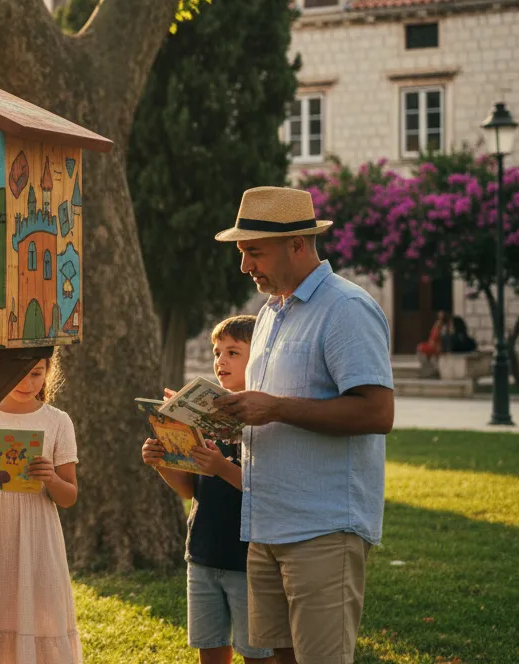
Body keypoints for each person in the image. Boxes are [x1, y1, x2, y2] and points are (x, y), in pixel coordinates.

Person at [213, 186, 395, 664]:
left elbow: (377, 413)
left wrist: (274, 409)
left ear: (296, 244)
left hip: (323, 528)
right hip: (266, 524)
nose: (244, 265)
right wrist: (227, 419)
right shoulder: (270, 313)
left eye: (254, 252)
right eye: (242, 252)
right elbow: (272, 409)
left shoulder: (346, 308)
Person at [142, 316, 274, 664]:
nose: (221, 361)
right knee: (210, 649)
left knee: (257, 653)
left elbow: (266, 488)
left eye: (233, 352)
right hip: (202, 553)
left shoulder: (265, 420)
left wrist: (221, 467)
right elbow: (190, 490)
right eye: (217, 353)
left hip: (248, 560)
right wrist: (162, 462)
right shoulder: (203, 416)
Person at [0, 358, 81, 663]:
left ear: (48, 373)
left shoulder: (57, 421)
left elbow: (69, 496)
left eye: (36, 374)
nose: (27, 383)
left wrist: (51, 478)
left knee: (38, 611)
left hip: (36, 534)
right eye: (18, 373)